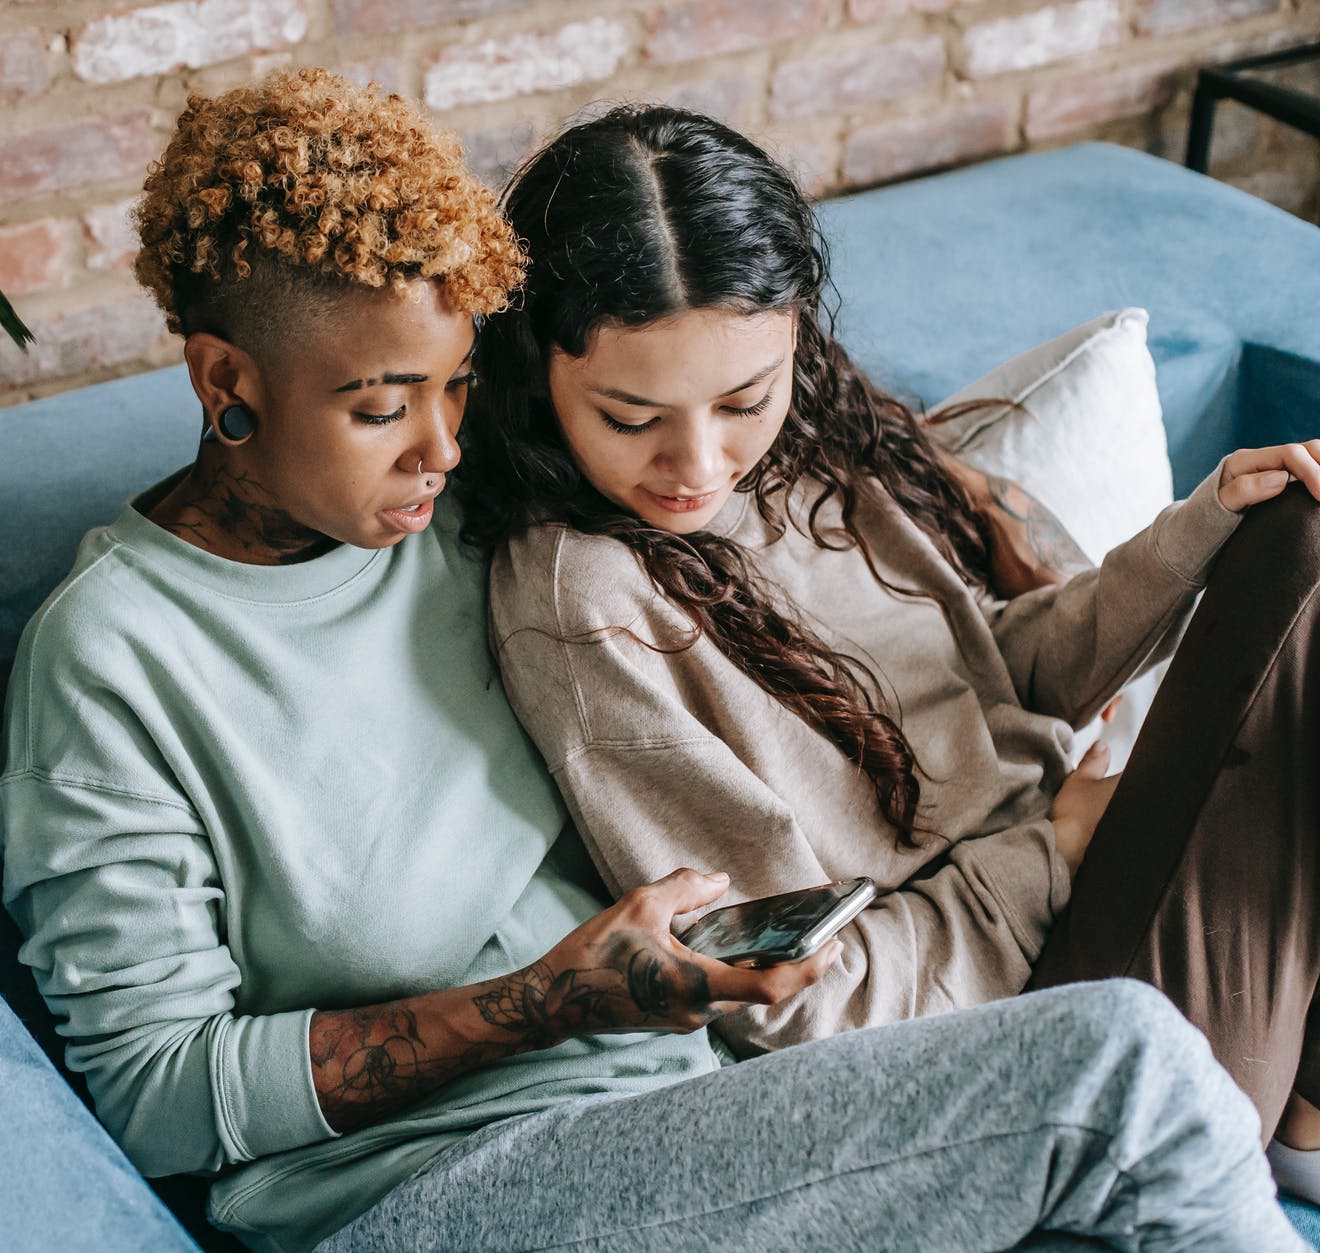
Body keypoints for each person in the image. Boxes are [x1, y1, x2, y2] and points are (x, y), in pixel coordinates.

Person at [0, 70, 1302, 1251]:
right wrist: (545, 1001)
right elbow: (152, 1092)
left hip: (706, 1111)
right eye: (380, 407)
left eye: (456, 388)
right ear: (227, 376)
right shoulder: (116, 657)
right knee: (1129, 1067)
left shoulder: (473, 503)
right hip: (436, 1191)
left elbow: (740, 471)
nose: (438, 450)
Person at [459, 103, 1320, 1206]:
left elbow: (993, 670)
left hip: (1101, 879)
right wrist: (1049, 852)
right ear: (537, 372)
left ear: (793, 337)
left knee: (1281, 516)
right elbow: (793, 996)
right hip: (1036, 1022)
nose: (696, 461)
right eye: (630, 417)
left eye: (741, 398)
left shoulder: (815, 453)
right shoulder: (586, 604)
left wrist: (1195, 531)